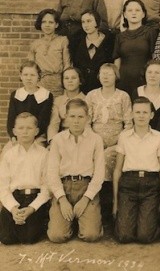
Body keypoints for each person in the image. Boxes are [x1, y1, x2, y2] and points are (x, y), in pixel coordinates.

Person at [47, 98, 105, 242]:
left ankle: (86, 220)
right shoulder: (58, 140)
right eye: (72, 116)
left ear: (88, 118)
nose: (76, 121)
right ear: (66, 118)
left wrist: (86, 198)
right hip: (64, 187)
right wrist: (62, 199)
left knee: (91, 235)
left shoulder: (96, 139)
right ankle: (67, 222)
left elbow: (99, 174)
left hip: (86, 187)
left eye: (81, 117)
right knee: (57, 236)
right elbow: (52, 173)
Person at [85, 63, 133, 227]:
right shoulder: (91, 96)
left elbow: (128, 124)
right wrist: (95, 143)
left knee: (110, 162)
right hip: (94, 144)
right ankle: (98, 213)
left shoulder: (123, 96)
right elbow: (87, 122)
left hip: (117, 144)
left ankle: (114, 212)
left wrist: (118, 144)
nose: (105, 77)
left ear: (116, 76)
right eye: (102, 73)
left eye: (109, 74)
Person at [113, 97, 160, 243]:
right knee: (124, 236)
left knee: (145, 237)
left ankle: (152, 222)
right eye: (137, 112)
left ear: (151, 115)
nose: (141, 116)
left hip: (151, 185)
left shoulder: (159, 137)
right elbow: (117, 170)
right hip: (128, 184)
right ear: (132, 114)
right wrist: (115, 201)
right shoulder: (124, 136)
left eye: (145, 112)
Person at [0, 113, 50, 244]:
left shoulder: (44, 154)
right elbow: (3, 186)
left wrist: (32, 208)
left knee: (28, 239)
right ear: (14, 131)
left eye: (29, 128)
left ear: (37, 131)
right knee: (6, 239)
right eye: (21, 128)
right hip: (15, 197)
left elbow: (47, 187)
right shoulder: (9, 155)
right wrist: (13, 209)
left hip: (35, 198)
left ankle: (41, 220)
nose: (25, 132)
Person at [114, 0, 158, 95]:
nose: (134, 13)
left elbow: (155, 58)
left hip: (144, 79)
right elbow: (117, 61)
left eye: (137, 10)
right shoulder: (120, 36)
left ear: (143, 14)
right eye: (130, 10)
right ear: (125, 14)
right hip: (124, 80)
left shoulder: (150, 32)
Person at [7, 61, 53, 146]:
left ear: (38, 77)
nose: (29, 78)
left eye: (32, 75)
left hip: (38, 136)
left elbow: (43, 122)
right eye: (25, 75)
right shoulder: (15, 94)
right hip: (18, 136)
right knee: (7, 154)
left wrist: (30, 138)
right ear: (21, 76)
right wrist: (14, 138)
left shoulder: (46, 95)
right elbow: (11, 120)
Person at [28, 8, 70, 97]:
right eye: (44, 22)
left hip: (58, 84)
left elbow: (67, 65)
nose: (47, 25)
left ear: (56, 24)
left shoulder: (63, 41)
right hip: (40, 84)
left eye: (51, 22)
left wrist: (65, 85)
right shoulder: (35, 44)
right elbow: (31, 67)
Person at [71, 9, 115, 94]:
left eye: (89, 21)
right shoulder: (77, 42)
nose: (86, 25)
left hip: (103, 87)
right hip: (83, 89)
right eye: (83, 22)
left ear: (97, 22)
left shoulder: (109, 42)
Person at [47, 67, 86, 143]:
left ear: (80, 81)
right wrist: (53, 141)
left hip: (82, 139)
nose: (70, 81)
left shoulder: (86, 100)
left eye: (73, 78)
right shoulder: (58, 101)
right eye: (66, 78)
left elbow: (87, 125)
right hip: (63, 139)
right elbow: (54, 124)